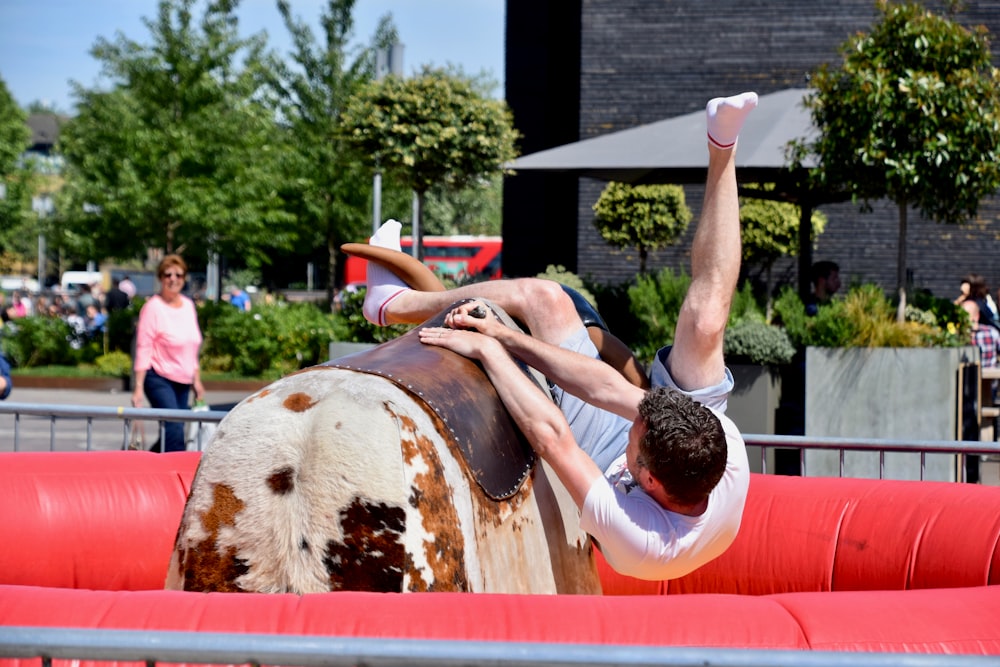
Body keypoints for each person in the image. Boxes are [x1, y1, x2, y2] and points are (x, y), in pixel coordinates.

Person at [358, 92, 756, 580]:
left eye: (638, 431)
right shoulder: (718, 443)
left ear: (643, 476)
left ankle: (394, 304)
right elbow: (610, 391)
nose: (636, 413)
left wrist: (491, 346)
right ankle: (724, 145)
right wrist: (521, 342)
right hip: (674, 448)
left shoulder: (642, 537)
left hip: (605, 467)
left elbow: (552, 436)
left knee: (530, 315)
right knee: (695, 320)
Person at [131, 254, 205, 453]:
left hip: (183, 379)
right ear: (160, 278)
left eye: (179, 275)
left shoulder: (188, 306)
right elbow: (143, 347)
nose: (173, 279)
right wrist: (137, 388)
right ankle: (173, 476)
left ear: (184, 278)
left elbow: (192, 346)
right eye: (168, 275)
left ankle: (148, 465)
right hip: (159, 377)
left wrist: (196, 380)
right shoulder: (153, 308)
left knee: (173, 430)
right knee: (174, 429)